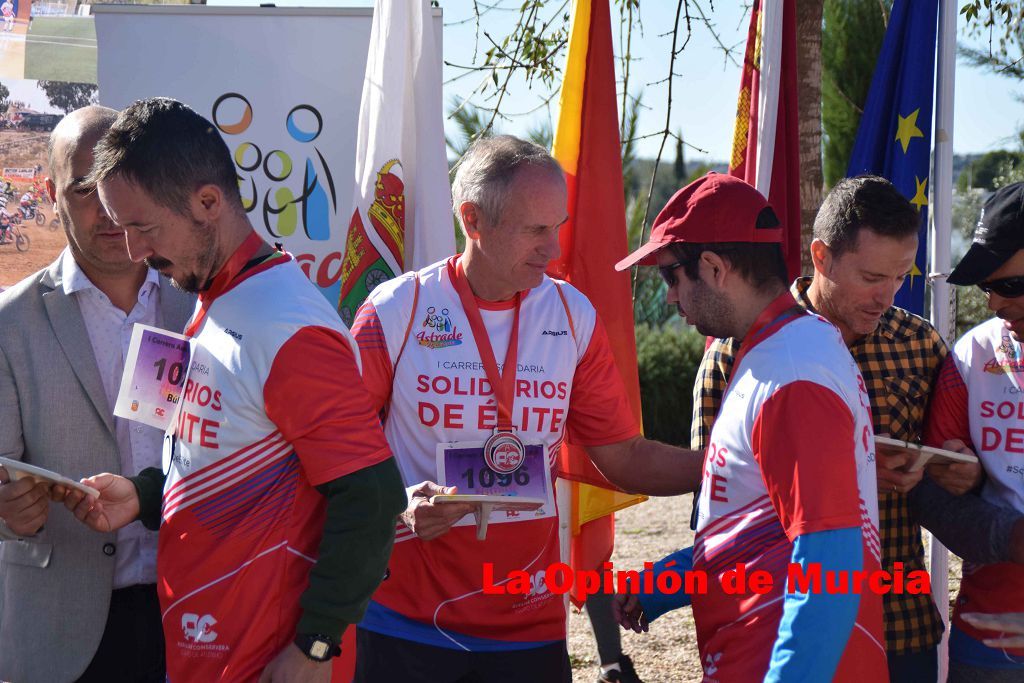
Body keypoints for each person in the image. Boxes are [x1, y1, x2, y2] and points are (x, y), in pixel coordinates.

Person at [59, 97, 408, 682]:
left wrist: (316, 646)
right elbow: (200, 453)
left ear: (208, 202)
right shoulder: (204, 301)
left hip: (267, 662)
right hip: (198, 650)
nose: (135, 251)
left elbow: (372, 500)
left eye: (142, 228)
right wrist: (143, 496)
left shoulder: (289, 325)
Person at [348, 135, 704, 682]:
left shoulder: (571, 314)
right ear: (474, 220)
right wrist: (398, 502)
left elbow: (624, 454)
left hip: (528, 624)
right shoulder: (399, 309)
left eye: (557, 227)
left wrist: (726, 468)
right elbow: (337, 451)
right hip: (406, 618)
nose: (553, 249)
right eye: (535, 229)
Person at [683, 174, 979, 681]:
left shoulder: (920, 343)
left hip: (902, 621)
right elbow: (717, 511)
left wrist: (954, 471)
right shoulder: (732, 358)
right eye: (870, 277)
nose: (887, 295)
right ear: (821, 257)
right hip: (782, 629)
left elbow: (968, 473)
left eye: (900, 277)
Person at [613, 172, 888, 681]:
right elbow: (763, 528)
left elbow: (830, 562)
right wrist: (664, 583)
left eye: (671, 276)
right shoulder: (785, 351)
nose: (670, 298)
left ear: (714, 267)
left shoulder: (789, 371)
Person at [0, 106, 195, 683]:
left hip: (193, 610)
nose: (107, 209)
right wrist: (10, 513)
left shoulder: (200, 305)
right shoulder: (12, 324)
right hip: (62, 629)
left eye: (117, 181)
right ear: (51, 193)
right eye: (85, 188)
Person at [914, 181, 1024, 681]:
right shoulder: (973, 355)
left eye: (1012, 285)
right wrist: (969, 483)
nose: (996, 303)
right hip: (988, 637)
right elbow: (930, 496)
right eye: (986, 286)